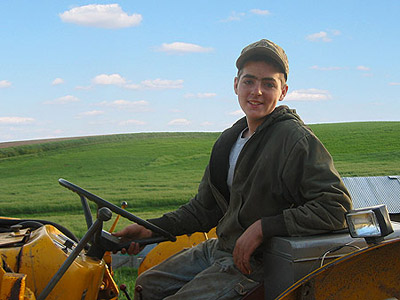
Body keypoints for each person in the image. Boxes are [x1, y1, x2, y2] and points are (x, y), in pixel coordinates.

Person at [114, 39, 352, 300]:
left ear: (283, 91)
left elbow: (336, 206)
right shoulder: (228, 140)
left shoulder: (295, 141)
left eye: (268, 84)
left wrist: (263, 228)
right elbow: (204, 210)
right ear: (235, 84)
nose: (257, 91)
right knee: (146, 285)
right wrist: (150, 229)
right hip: (221, 247)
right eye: (249, 81)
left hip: (259, 261)